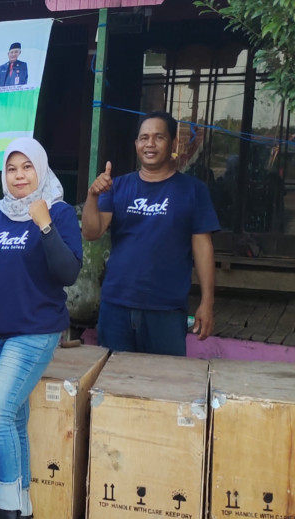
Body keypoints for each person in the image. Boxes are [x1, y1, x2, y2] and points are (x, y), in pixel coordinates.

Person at [0, 138, 82, 519]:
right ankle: (26, 511)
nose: (19, 175)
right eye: (12, 168)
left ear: (41, 169)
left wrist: (44, 224)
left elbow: (68, 273)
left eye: (27, 167)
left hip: (35, 331)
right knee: (14, 418)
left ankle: (7, 513)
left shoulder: (60, 212)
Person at [82, 111, 219, 356]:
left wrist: (207, 302)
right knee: (114, 384)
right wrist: (93, 196)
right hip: (116, 306)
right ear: (136, 144)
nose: (150, 144)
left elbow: (203, 248)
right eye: (144, 138)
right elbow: (92, 232)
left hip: (166, 310)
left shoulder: (193, 191)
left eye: (159, 137)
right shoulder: (118, 187)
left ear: (173, 143)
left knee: (163, 387)